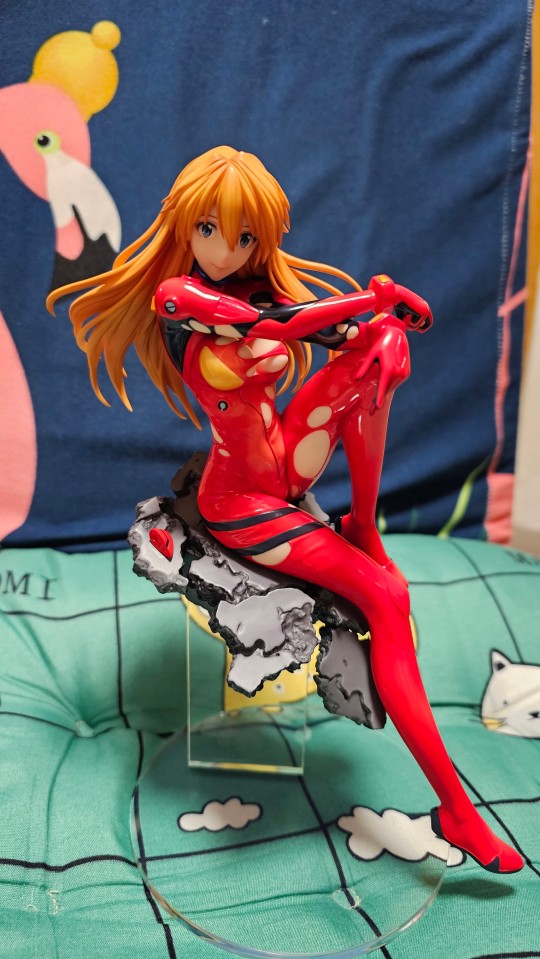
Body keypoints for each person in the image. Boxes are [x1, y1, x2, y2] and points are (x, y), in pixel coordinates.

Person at [47, 145, 523, 873]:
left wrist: (382, 326)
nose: (226, 250)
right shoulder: (179, 299)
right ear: (185, 224)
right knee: (386, 597)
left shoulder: (259, 294)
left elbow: (321, 329)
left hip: (288, 464)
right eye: (211, 229)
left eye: (245, 238)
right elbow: (267, 325)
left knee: (375, 351)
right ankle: (457, 811)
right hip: (241, 501)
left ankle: (364, 522)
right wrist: (368, 301)